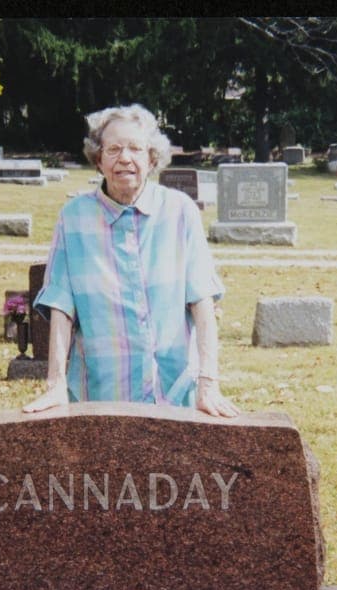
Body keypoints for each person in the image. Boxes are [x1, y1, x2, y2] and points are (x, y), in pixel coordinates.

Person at [22, 104, 238, 418]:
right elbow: (60, 305)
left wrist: (209, 382)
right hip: (99, 393)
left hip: (175, 391)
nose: (125, 158)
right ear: (98, 160)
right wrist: (55, 384)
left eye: (136, 148)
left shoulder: (180, 211)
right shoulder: (74, 218)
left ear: (151, 159)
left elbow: (202, 301)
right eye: (113, 149)